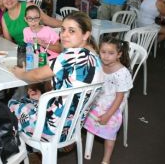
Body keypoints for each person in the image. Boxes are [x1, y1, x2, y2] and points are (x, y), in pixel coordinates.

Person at [9, 11, 104, 141]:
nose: (64, 35)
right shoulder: (95, 57)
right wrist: (44, 97)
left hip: (50, 127)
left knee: (12, 103)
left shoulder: (71, 55)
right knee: (28, 100)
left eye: (71, 31)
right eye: (63, 29)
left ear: (85, 35)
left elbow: (36, 75)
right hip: (72, 125)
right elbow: (71, 90)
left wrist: (21, 73)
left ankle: (16, 147)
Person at [84, 37, 133, 164]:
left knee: (110, 129)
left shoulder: (122, 73)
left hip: (113, 104)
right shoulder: (99, 62)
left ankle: (106, 159)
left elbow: (119, 97)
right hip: (99, 98)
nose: (106, 56)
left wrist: (108, 115)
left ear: (119, 54)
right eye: (103, 52)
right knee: (78, 110)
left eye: (111, 53)